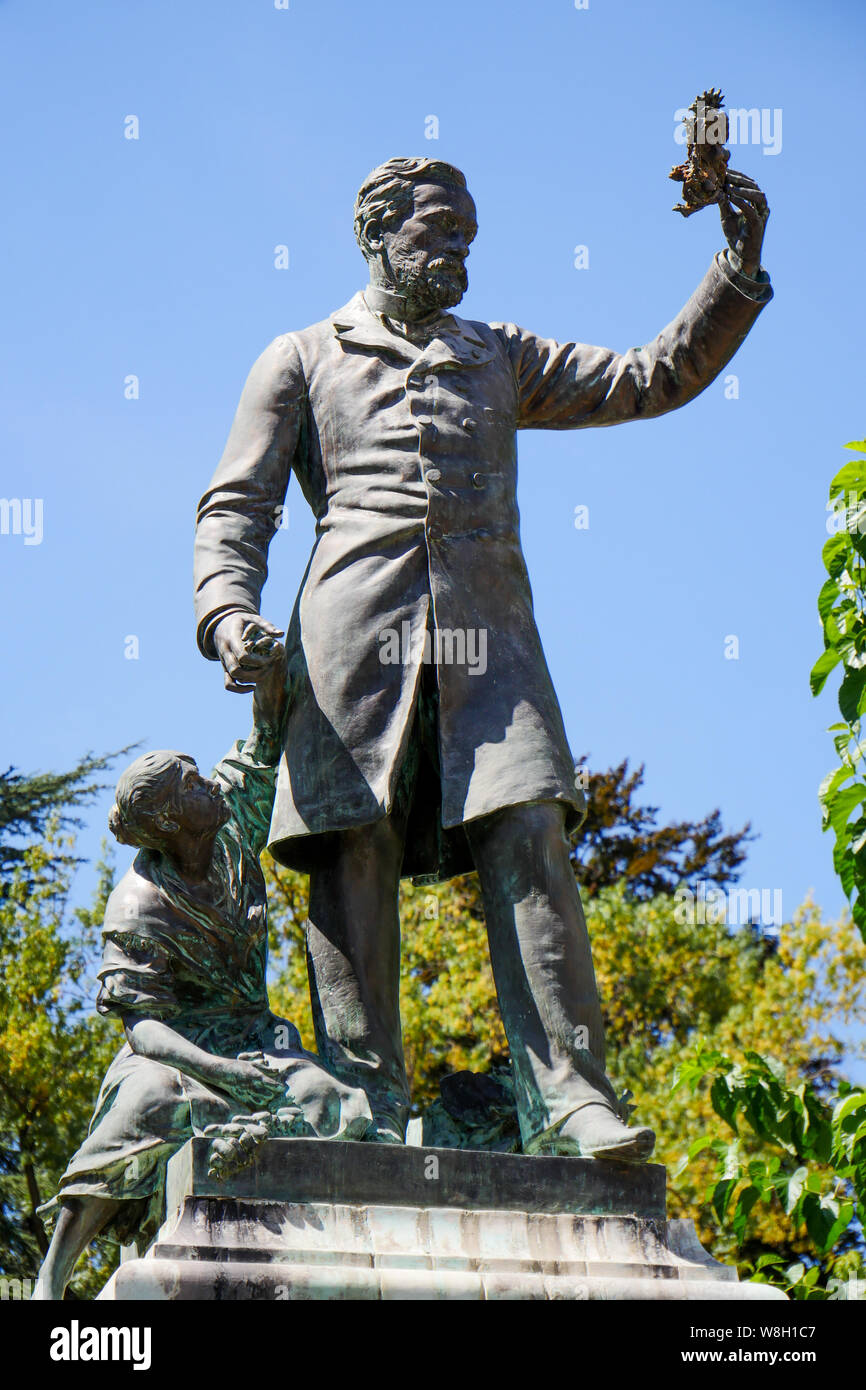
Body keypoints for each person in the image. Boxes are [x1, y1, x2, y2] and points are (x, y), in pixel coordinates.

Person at [193, 156, 772, 1158]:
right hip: (349, 643)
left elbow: (647, 376)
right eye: (436, 231)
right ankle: (364, 1096)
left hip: (492, 648)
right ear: (378, 234)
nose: (459, 247)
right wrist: (227, 614)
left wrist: (731, 268)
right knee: (352, 847)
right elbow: (235, 509)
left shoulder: (497, 353)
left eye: (466, 231)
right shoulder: (298, 356)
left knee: (530, 833)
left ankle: (570, 1097)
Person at [33, 631, 372, 1300]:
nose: (206, 782)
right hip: (174, 1052)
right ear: (165, 821)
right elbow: (143, 1028)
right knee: (147, 1105)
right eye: (190, 784)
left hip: (254, 1037)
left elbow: (265, 734)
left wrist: (266, 665)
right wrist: (216, 1071)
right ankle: (51, 1278)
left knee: (323, 1098)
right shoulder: (139, 903)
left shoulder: (230, 826)